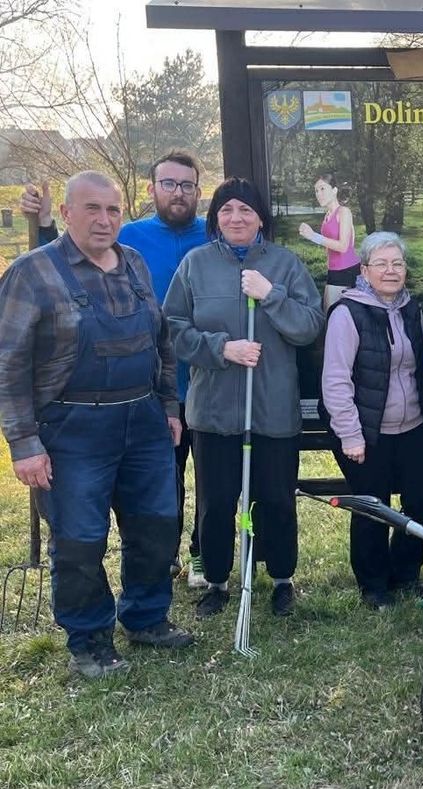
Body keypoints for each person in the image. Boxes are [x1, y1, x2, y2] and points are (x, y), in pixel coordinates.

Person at [0, 171, 193, 678]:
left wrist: (169, 406)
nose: (104, 220)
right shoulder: (32, 273)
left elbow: (161, 340)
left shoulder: (134, 263)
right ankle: (88, 639)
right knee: (80, 539)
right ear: (66, 213)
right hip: (72, 428)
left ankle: (147, 618)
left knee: (156, 525)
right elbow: (8, 364)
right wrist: (24, 442)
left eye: (113, 210)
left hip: (144, 420)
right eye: (92, 209)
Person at [22, 151, 211, 589]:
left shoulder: (209, 235)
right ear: (152, 188)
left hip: (200, 383)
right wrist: (44, 224)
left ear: (198, 191)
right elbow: (61, 270)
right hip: (133, 394)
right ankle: (161, 560)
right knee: (158, 484)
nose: (178, 192)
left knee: (201, 483)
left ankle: (198, 555)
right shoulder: (129, 238)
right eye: (168, 183)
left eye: (186, 185)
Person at [165, 177, 324, 619]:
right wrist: (222, 349)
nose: (236, 218)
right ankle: (217, 582)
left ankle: (282, 579)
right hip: (214, 411)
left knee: (276, 499)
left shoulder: (285, 264)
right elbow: (173, 330)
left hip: (272, 408)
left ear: (260, 218)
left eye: (246, 210)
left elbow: (309, 326)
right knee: (216, 502)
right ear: (215, 218)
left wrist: (270, 295)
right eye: (227, 210)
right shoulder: (195, 265)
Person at [322, 231, 423, 609]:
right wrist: (350, 435)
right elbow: (336, 379)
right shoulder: (348, 313)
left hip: (413, 426)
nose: (391, 271)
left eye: (397, 263)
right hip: (366, 431)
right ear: (364, 270)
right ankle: (373, 584)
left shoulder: (412, 309)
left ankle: (406, 573)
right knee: (372, 507)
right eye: (381, 264)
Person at [299, 172, 358, 308]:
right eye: (316, 191)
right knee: (329, 311)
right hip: (334, 271)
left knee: (334, 313)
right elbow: (329, 247)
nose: (319, 194)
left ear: (334, 190)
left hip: (348, 270)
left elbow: (344, 246)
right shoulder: (327, 217)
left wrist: (313, 236)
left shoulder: (344, 212)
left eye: (322, 189)